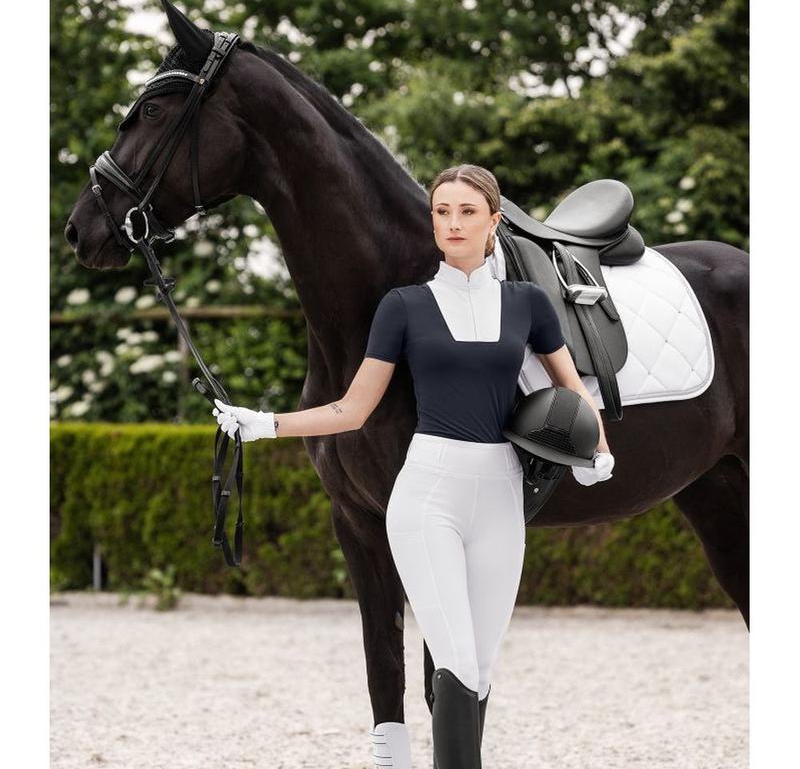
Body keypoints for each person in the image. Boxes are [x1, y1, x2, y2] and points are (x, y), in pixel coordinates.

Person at [211, 164, 614, 769]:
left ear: (494, 222)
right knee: (454, 658)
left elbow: (572, 387)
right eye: (441, 211)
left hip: (501, 495)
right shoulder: (404, 307)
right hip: (429, 494)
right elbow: (353, 408)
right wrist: (264, 423)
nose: (453, 223)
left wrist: (599, 449)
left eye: (467, 212)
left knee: (481, 666)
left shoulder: (529, 304)